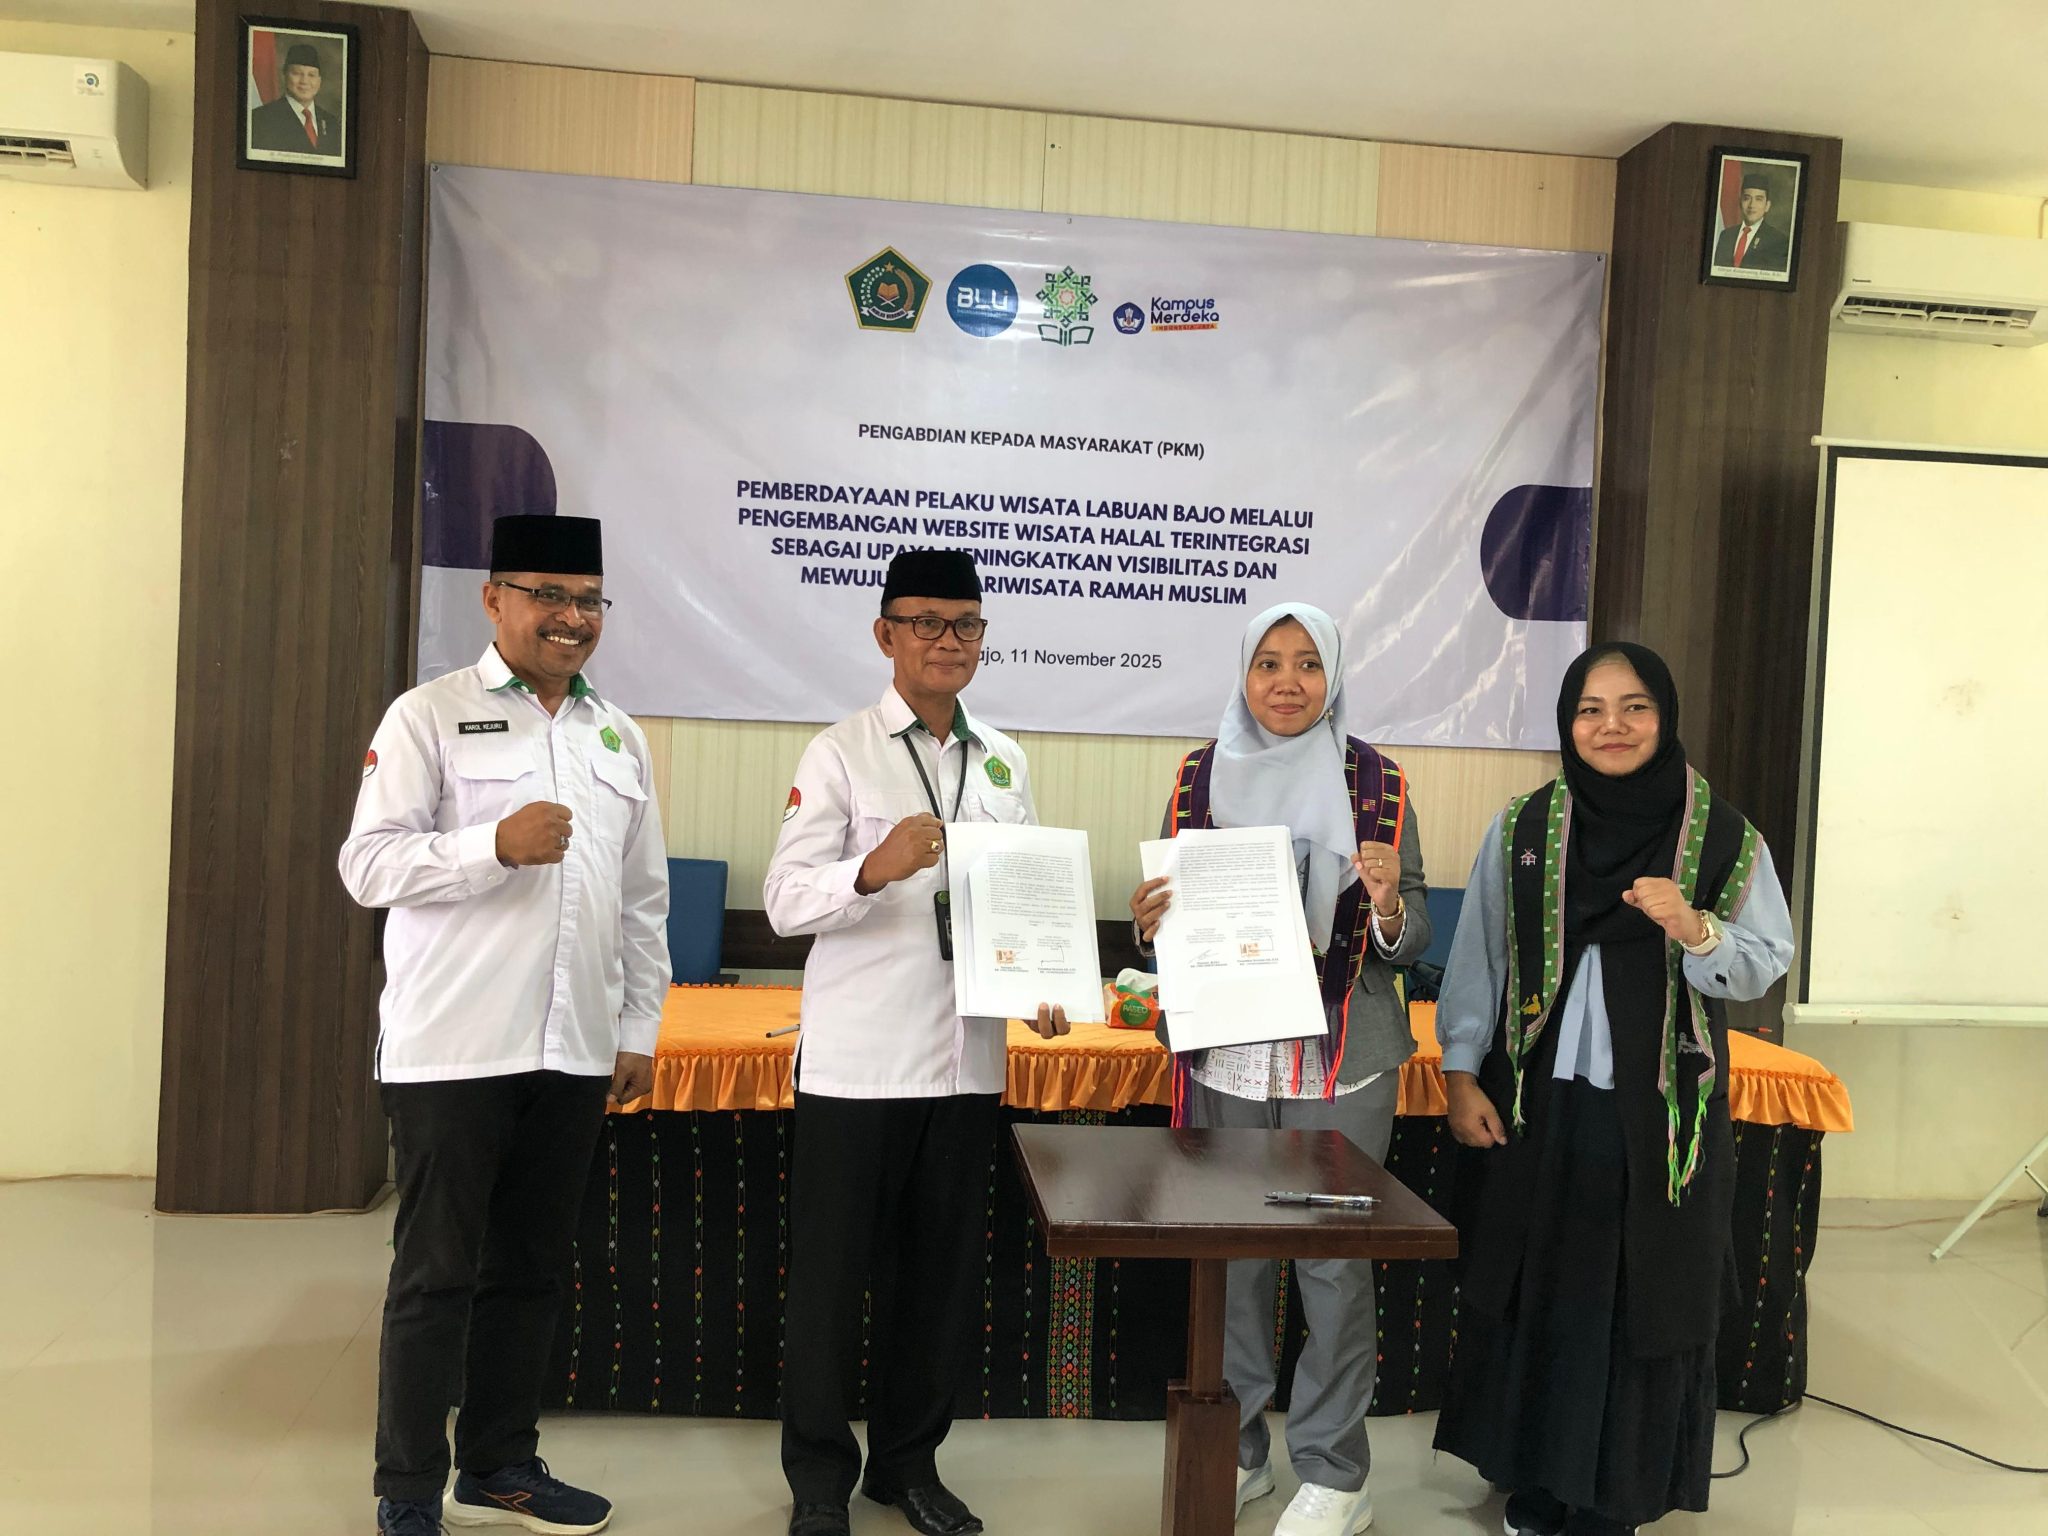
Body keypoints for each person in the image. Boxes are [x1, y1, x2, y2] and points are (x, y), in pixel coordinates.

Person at [340, 514, 670, 1536]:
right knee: (435, 1277)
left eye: (588, 601)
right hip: (455, 1047)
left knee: (527, 1275)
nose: (572, 618)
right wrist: (492, 845)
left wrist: (637, 1028)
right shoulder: (427, 716)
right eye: (547, 596)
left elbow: (643, 900)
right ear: (494, 600)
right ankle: (406, 1488)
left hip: (572, 1050)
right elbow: (368, 864)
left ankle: (498, 1466)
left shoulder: (617, 737)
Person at [1431, 643, 1794, 1536]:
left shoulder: (1724, 837)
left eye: (1635, 707)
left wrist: (1697, 928)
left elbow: (1765, 963)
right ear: (1568, 724)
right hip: (1539, 1105)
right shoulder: (1524, 829)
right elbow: (1478, 956)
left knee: (1638, 1297)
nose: (1612, 727)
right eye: (1590, 710)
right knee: (1541, 1284)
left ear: (1665, 717)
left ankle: (1615, 1495)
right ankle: (1537, 1478)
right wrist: (1460, 1073)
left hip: (1663, 1121)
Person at [766, 548, 1072, 1536]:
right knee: (830, 1284)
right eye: (926, 622)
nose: (948, 640)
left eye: (965, 624)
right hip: (858, 1065)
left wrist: (1040, 986)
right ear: (884, 634)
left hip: (964, 1065)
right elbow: (783, 901)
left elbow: (1019, 898)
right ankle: (820, 1480)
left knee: (938, 1283)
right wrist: (872, 866)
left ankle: (908, 1467)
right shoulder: (839, 753)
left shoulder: (1003, 759)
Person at [1129, 602, 1432, 1536]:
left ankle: (1337, 1472)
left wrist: (1388, 905)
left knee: (1334, 1268)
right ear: (1244, 675)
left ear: (1332, 677)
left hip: (1339, 1062)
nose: (1288, 682)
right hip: (1228, 1056)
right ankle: (1240, 1452)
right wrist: (1149, 922)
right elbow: (1172, 915)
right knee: (1233, 1262)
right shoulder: (1198, 776)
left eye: (1307, 663)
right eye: (1268, 663)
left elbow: (1413, 935)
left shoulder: (1379, 783)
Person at [250, 41, 341, 156]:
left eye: (311, 75)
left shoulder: (332, 123)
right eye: (297, 73)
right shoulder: (260, 119)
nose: (304, 81)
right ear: (284, 76)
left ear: (319, 81)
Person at [1712, 171, 1789, 272]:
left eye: (1759, 199)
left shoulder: (1778, 241)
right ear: (1740, 202)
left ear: (1767, 206)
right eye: (1747, 198)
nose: (1752, 205)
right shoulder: (1726, 236)